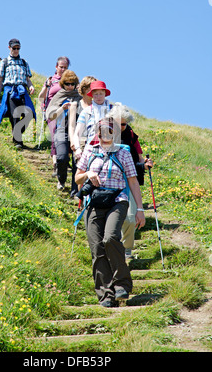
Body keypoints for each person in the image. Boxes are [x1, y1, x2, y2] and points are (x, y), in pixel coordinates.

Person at [75, 117, 145, 307]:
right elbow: (77, 178)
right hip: (94, 203)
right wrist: (88, 174)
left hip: (117, 201)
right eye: (103, 130)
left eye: (110, 130)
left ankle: (122, 284)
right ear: (98, 132)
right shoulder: (90, 150)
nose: (106, 134)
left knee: (110, 238)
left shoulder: (123, 153)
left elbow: (132, 181)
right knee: (97, 248)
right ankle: (106, 294)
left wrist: (139, 209)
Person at [108, 103, 153, 259]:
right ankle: (112, 246)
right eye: (118, 123)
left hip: (129, 181)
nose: (122, 127)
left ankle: (127, 248)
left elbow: (140, 159)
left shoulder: (132, 136)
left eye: (124, 124)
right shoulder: (103, 133)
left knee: (130, 217)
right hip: (107, 181)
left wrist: (145, 164)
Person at [0, 39, 35, 149]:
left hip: (22, 90)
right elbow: (0, 80)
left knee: (29, 114)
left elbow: (28, 79)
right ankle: (18, 141)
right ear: (9, 48)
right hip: (10, 91)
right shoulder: (4, 62)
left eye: (18, 48)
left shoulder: (24, 62)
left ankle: (17, 134)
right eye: (14, 48)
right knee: (15, 115)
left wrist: (31, 86)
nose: (16, 50)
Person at [46, 70, 81, 195]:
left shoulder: (79, 96)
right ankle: (61, 179)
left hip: (78, 131)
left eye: (72, 84)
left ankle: (75, 190)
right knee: (62, 157)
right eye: (67, 84)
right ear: (63, 84)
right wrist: (62, 108)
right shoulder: (59, 96)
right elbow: (50, 115)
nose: (70, 86)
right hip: (61, 129)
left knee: (78, 161)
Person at [38, 57, 70, 176]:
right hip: (52, 112)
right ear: (56, 67)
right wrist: (46, 86)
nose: (62, 69)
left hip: (66, 113)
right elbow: (41, 97)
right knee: (55, 135)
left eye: (65, 67)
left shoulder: (70, 81)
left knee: (65, 137)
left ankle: (63, 160)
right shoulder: (51, 80)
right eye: (61, 67)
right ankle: (56, 164)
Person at [72, 80, 113, 160]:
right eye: (96, 94)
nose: (98, 97)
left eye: (101, 94)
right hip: (91, 150)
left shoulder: (113, 110)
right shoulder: (86, 112)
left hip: (111, 150)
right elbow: (77, 133)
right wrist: (77, 149)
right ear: (92, 95)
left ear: (105, 94)